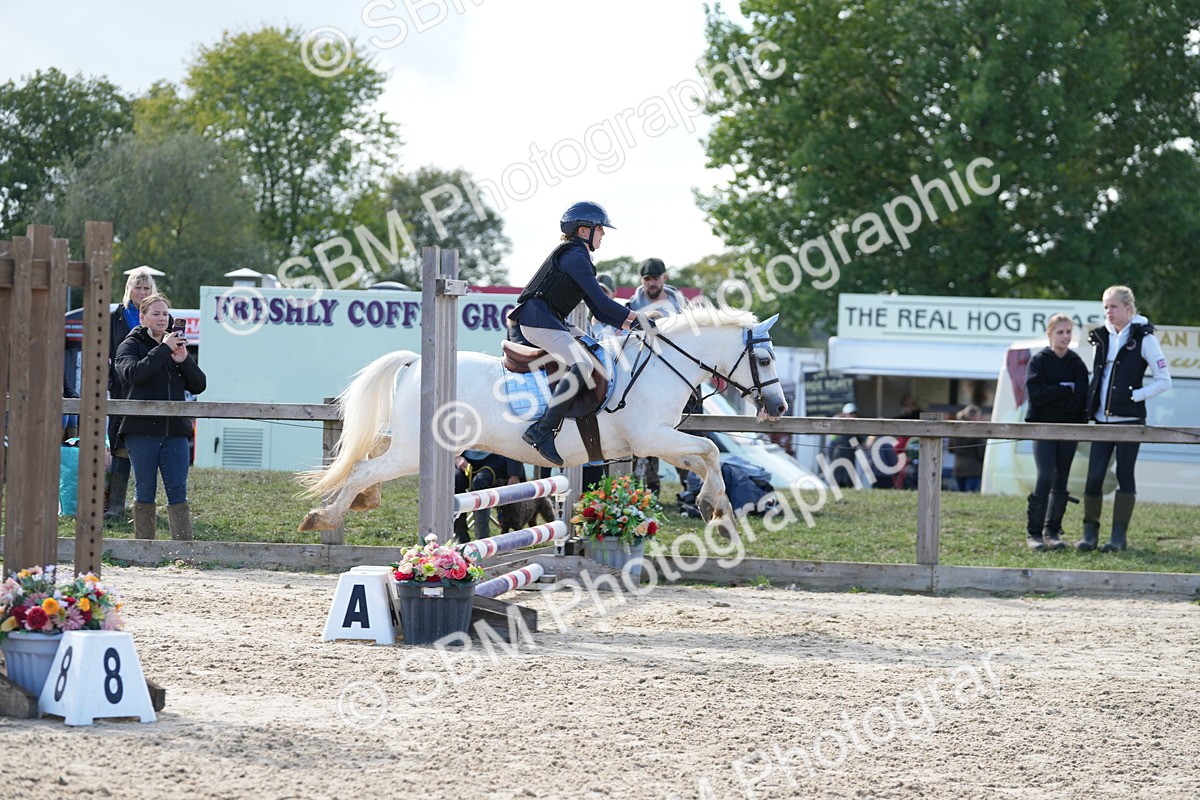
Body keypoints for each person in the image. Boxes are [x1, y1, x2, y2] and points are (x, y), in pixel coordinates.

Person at [508, 201, 641, 466]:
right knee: (581, 363)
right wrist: (640, 320)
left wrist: (634, 326)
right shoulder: (575, 257)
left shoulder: (579, 257)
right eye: (600, 229)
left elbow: (600, 313)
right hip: (537, 320)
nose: (603, 234)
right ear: (583, 230)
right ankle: (542, 430)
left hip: (550, 318)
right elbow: (604, 305)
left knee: (594, 350)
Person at [1078, 286, 1171, 552]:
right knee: (1094, 476)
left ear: (1129, 309)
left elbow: (1164, 381)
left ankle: (1118, 537)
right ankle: (1090, 534)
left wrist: (1135, 396)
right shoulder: (1101, 337)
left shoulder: (1145, 339)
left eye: (1113, 307)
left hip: (1129, 421)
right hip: (1100, 421)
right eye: (1105, 307)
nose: (1108, 312)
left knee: (1124, 474)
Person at [115, 293, 207, 540]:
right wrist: (163, 350)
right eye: (155, 313)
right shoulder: (129, 345)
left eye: (165, 313)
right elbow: (133, 374)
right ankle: (145, 549)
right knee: (145, 491)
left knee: (178, 492)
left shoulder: (175, 346)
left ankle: (183, 551)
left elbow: (199, 385)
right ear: (142, 318)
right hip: (141, 431)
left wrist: (184, 360)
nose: (162, 318)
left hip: (175, 431)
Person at [1023, 314, 1089, 551]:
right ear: (1049, 334)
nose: (1065, 336)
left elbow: (1081, 400)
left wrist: (1054, 396)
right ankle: (1034, 533)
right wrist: (1064, 391)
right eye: (1060, 332)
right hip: (1043, 427)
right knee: (1046, 475)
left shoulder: (1077, 364)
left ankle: (1052, 532)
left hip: (1069, 428)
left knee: (1062, 477)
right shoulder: (1039, 361)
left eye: (1069, 331)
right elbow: (1035, 394)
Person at [105, 266, 158, 521]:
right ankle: (116, 504)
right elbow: (103, 353)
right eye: (138, 286)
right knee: (118, 443)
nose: (142, 291)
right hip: (120, 389)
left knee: (151, 444)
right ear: (129, 289)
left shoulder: (158, 315)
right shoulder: (115, 317)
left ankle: (145, 505)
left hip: (149, 387)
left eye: (147, 287)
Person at [453, 450, 525, 543]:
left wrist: (514, 474)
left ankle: (482, 539)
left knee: (479, 483)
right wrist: (456, 457)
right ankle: (461, 536)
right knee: (454, 480)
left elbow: (513, 441)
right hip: (464, 457)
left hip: (495, 458)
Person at [949, 405, 987, 494]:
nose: (981, 419)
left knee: (961, 496)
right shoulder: (977, 432)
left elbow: (951, 449)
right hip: (973, 469)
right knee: (970, 495)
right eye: (979, 416)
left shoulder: (956, 430)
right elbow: (981, 452)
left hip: (958, 468)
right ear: (973, 417)